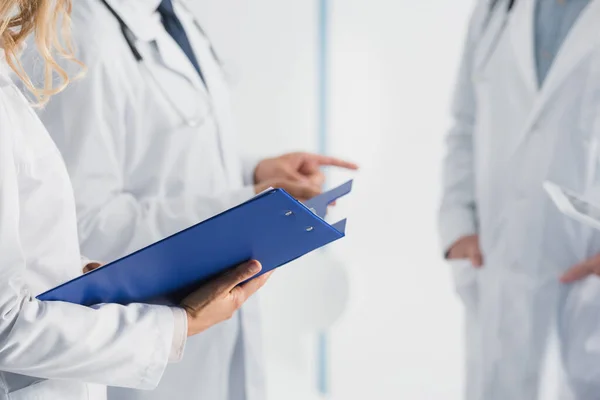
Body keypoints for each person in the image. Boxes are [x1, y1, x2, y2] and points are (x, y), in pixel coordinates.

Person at [21, 0, 358, 399]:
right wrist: (242, 206)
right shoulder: (79, 34)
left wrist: (252, 172)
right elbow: (84, 223)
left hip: (209, 330)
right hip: (146, 343)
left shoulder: (169, 15)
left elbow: (166, 157)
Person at [439, 0, 600, 399]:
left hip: (586, 274)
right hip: (497, 263)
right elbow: (464, 124)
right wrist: (458, 225)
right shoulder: (497, 10)